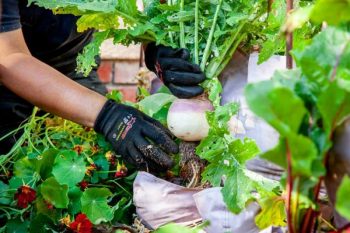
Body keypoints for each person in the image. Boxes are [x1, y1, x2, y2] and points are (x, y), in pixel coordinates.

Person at [0, 0, 205, 171]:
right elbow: (9, 58)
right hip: (9, 82)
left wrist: (156, 46)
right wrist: (107, 116)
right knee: (14, 171)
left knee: (98, 163)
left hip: (75, 64)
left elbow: (160, 6)